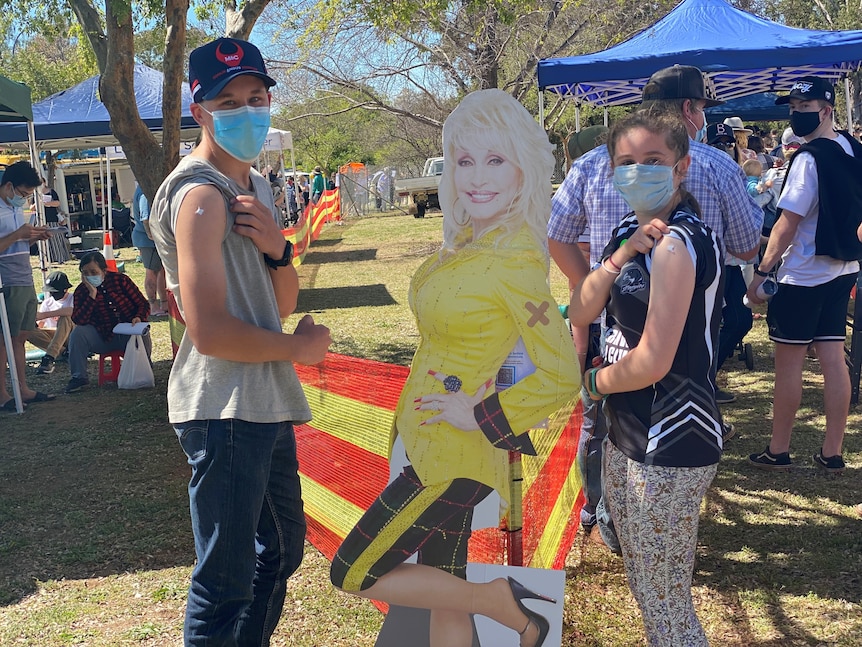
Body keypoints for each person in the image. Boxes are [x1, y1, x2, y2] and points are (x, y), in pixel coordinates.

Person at [330, 89, 579, 647]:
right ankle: (486, 602)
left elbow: (561, 372)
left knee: (351, 571)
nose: (477, 177)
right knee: (444, 580)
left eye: (495, 159)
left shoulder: (515, 258)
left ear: (523, 169)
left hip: (454, 453)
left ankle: (500, 603)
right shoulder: (470, 241)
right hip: (424, 436)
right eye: (465, 160)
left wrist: (483, 413)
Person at [149, 37, 332, 646]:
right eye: (229, 101)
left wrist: (279, 249)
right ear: (200, 111)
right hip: (224, 407)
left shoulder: (250, 186)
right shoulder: (200, 194)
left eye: (256, 97)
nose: (248, 111)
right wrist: (297, 351)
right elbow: (209, 330)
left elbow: (280, 303)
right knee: (225, 580)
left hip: (260, 402)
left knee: (278, 553)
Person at [548, 64, 762, 547]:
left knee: (606, 424)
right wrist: (604, 276)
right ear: (690, 108)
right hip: (669, 334)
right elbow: (749, 245)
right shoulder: (715, 167)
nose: (635, 171)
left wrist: (590, 289)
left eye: (648, 161)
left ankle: (609, 514)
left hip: (627, 338)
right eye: (703, 107)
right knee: (633, 427)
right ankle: (634, 520)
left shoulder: (596, 169)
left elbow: (557, 237)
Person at [570, 109, 725, 647]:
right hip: (626, 434)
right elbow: (580, 310)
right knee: (647, 589)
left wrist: (593, 385)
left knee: (666, 605)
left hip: (673, 440)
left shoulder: (679, 244)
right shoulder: (628, 234)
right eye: (626, 162)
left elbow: (655, 359)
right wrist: (617, 257)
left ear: (681, 168)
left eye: (653, 161)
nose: (638, 172)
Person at [747, 76, 860, 474]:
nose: (796, 115)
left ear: (826, 110)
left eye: (804, 108)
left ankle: (778, 449)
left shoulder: (808, 159)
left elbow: (786, 224)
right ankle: (832, 452)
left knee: (789, 363)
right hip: (844, 268)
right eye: (793, 108)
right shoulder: (854, 149)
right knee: (833, 358)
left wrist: (761, 272)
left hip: (803, 274)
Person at [0, 161, 55, 410]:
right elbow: (9, 241)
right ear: (9, 186)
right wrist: (19, 235)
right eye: (22, 194)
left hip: (24, 277)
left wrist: (33, 237)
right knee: (5, 339)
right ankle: (3, 394)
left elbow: (16, 242)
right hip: (7, 282)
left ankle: (22, 388)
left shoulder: (15, 210)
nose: (23, 199)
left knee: (20, 336)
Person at [65, 251, 150, 393]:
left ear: (104, 270)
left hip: (128, 333)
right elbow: (79, 319)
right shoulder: (81, 291)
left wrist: (138, 317)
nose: (90, 276)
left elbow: (143, 304)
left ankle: (144, 369)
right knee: (78, 333)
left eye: (94, 272)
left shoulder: (120, 280)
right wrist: (92, 295)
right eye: (85, 273)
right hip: (102, 336)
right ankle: (79, 377)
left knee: (143, 332)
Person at [27, 270, 75, 374]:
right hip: (55, 338)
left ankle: (50, 357)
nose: (53, 294)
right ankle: (63, 353)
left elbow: (73, 311)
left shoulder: (73, 298)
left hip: (72, 335)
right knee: (28, 330)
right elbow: (41, 325)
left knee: (65, 317)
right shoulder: (47, 303)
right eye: (51, 291)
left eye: (55, 291)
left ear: (65, 289)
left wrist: (44, 315)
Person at [131, 184, 168, 317]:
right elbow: (145, 217)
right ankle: (153, 307)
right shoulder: (144, 191)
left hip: (154, 239)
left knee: (161, 271)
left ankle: (164, 303)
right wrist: (152, 236)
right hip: (147, 240)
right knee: (151, 272)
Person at [41, 179, 71, 264]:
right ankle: (47, 259)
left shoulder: (51, 191)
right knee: (45, 241)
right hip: (41, 221)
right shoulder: (35, 194)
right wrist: (39, 203)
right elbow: (31, 207)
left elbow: (57, 203)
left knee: (56, 240)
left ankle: (60, 258)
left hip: (52, 219)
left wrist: (48, 203)